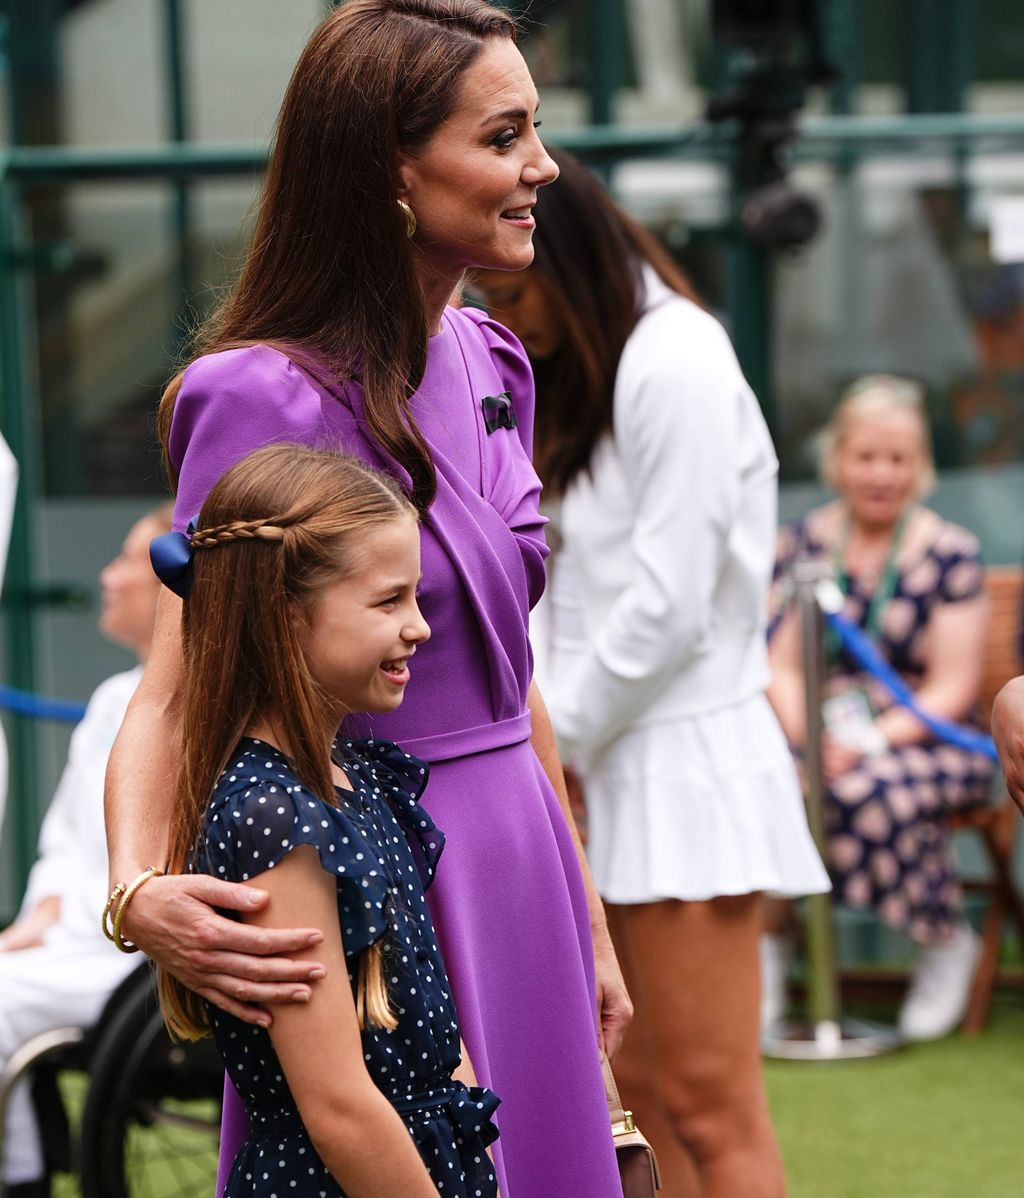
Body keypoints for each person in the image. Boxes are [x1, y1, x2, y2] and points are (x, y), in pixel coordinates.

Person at [103, 5, 628, 1196]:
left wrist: (583, 914)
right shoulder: (258, 395)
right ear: (391, 170)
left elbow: (512, 670)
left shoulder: (494, 357)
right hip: (373, 877)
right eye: (504, 137)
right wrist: (138, 893)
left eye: (535, 131)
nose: (541, 166)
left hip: (524, 865)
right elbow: (177, 690)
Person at [471, 148, 828, 1198]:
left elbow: (668, 607)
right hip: (594, 763)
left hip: (680, 771)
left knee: (708, 1111)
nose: (505, 310)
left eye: (513, 280)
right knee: (632, 1116)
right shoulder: (598, 360)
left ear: (565, 252)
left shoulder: (676, 355)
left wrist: (546, 745)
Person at [147, 444, 499, 1198]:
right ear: (286, 614)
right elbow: (338, 1107)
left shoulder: (362, 780)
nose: (420, 628)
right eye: (387, 602)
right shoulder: (275, 818)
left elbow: (435, 1037)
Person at [767, 374, 995, 1041]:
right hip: (813, 731)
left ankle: (941, 937)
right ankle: (771, 950)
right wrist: (811, 739)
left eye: (897, 459)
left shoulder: (950, 552)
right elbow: (775, 663)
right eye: (866, 456)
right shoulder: (800, 545)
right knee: (770, 785)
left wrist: (865, 743)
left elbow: (949, 688)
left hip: (922, 736)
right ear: (837, 459)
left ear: (918, 465)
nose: (881, 473)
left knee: (869, 789)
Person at [0, 504, 170, 1197]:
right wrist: (36, 915)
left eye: (128, 558)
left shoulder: (205, 710)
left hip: (130, 964)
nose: (109, 575)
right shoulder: (109, 701)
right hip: (69, 941)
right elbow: (65, 841)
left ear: (171, 585)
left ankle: (22, 1179)